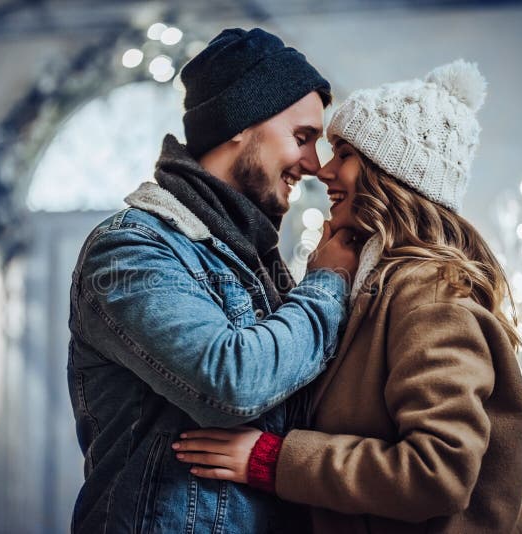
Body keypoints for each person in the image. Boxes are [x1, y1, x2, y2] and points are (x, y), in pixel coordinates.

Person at [173, 60, 522, 533]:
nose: (322, 170)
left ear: (390, 175)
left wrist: (272, 460)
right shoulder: (372, 285)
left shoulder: (431, 295)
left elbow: (438, 473)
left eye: (342, 152)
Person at [67, 28, 360, 533]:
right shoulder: (131, 249)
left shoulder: (253, 256)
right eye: (302, 137)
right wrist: (329, 280)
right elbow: (231, 383)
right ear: (240, 125)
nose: (314, 165)